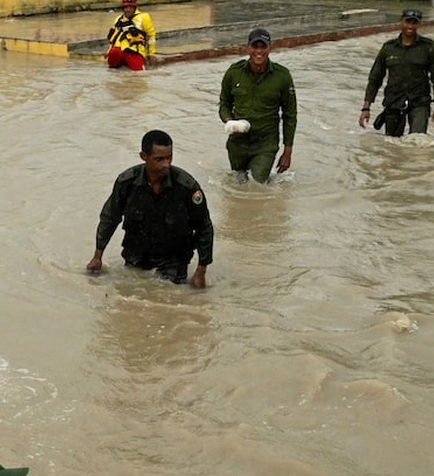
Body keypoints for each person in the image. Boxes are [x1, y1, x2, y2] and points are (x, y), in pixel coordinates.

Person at [86, 129, 214, 288]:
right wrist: (98, 256)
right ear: (144, 156)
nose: (166, 164)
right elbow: (110, 217)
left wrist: (201, 270)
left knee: (170, 299)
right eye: (159, 159)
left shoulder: (186, 186)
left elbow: (204, 227)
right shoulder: (127, 182)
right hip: (136, 255)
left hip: (173, 259)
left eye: (169, 158)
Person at [218, 27, 298, 183]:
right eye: (255, 46)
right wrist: (229, 121)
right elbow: (224, 104)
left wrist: (287, 151)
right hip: (237, 143)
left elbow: (290, 115)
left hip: (265, 143)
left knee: (257, 182)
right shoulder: (234, 73)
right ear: (248, 48)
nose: (259, 51)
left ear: (269, 48)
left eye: (263, 47)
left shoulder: (282, 76)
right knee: (238, 183)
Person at [358, 8, 434, 137]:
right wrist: (366, 108)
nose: (410, 26)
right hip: (394, 102)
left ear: (419, 24)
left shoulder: (428, 47)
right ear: (400, 22)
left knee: (417, 140)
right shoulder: (388, 48)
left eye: (414, 23)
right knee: (392, 143)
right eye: (407, 22)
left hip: (419, 102)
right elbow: (375, 78)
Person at [105, 0, 156, 71]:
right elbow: (113, 38)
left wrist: (151, 54)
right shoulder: (119, 19)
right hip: (118, 51)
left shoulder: (144, 17)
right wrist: (108, 51)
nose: (128, 10)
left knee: (139, 73)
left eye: (130, 7)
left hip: (134, 52)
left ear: (134, 7)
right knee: (112, 63)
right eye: (126, 7)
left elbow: (151, 36)